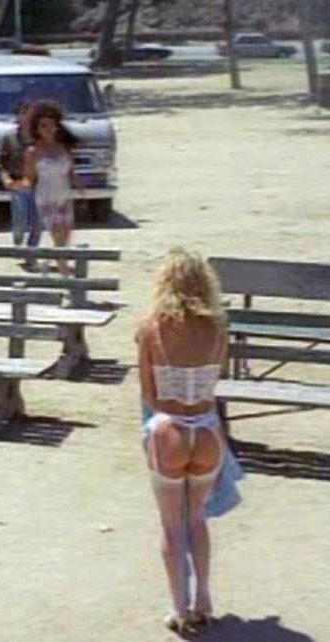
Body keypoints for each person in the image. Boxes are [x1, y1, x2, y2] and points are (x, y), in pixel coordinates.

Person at [136, 248, 242, 634]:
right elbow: (214, 383)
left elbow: (148, 392)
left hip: (169, 429)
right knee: (197, 519)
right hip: (208, 429)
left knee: (171, 525)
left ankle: (179, 607)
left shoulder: (151, 327)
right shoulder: (217, 329)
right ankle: (204, 599)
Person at [23, 100, 80, 276]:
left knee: (65, 238)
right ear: (37, 128)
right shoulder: (33, 151)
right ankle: (65, 276)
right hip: (46, 198)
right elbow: (29, 177)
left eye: (51, 125)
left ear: (57, 126)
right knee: (57, 235)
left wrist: (80, 187)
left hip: (64, 196)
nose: (48, 129)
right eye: (43, 126)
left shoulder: (64, 148)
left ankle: (49, 264)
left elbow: (71, 172)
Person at [0, 101, 41, 269]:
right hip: (18, 183)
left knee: (38, 223)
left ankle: (31, 256)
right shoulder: (10, 138)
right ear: (18, 116)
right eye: (24, 113)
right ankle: (18, 241)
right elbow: (1, 162)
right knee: (20, 221)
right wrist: (6, 178)